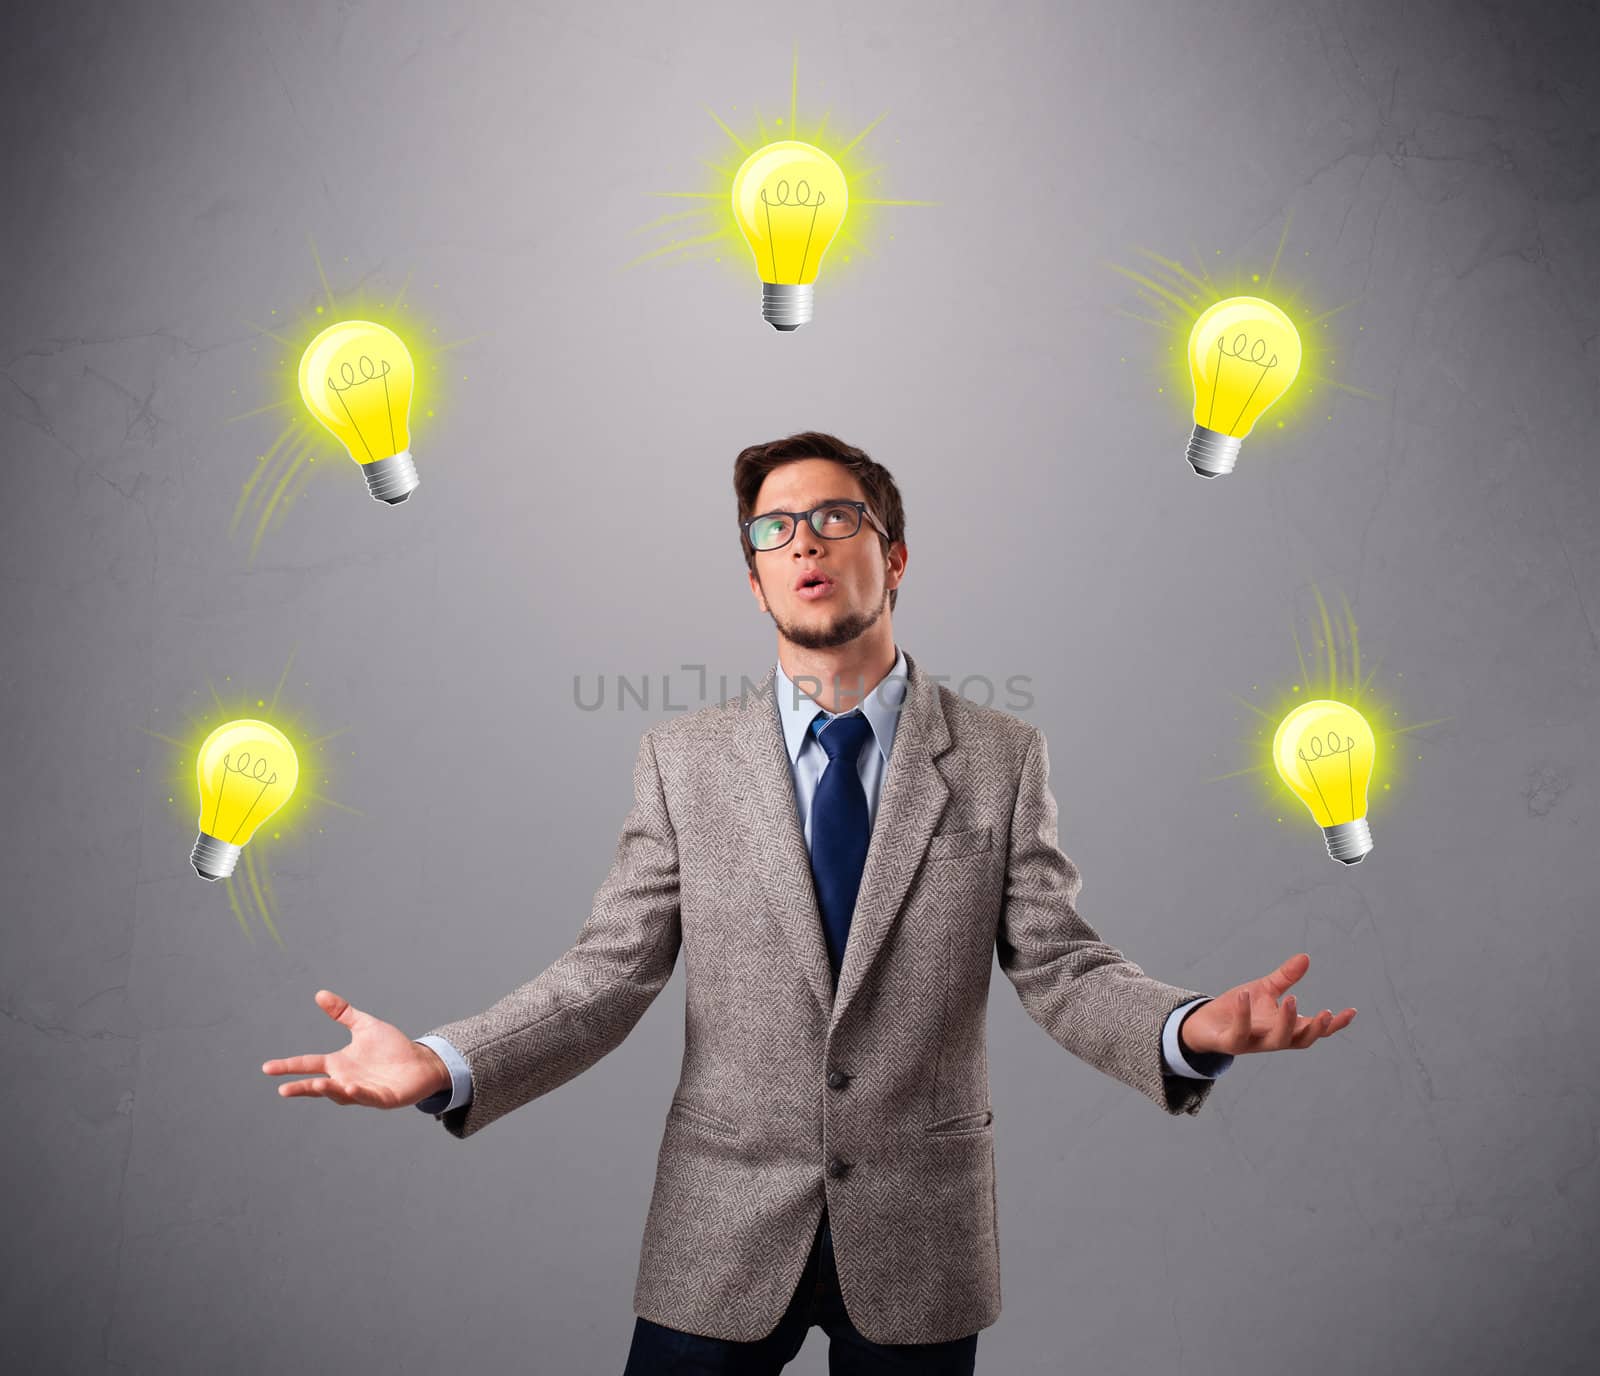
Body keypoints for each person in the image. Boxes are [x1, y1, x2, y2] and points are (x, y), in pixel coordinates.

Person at [262, 431, 1356, 1373]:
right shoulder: (681, 759)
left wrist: (1185, 1026)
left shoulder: (997, 756)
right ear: (752, 579)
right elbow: (606, 974)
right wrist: (446, 1061)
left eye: (835, 516)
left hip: (921, 1231)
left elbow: (1061, 966)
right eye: (772, 529)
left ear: (895, 554)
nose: (803, 542)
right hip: (719, 1223)